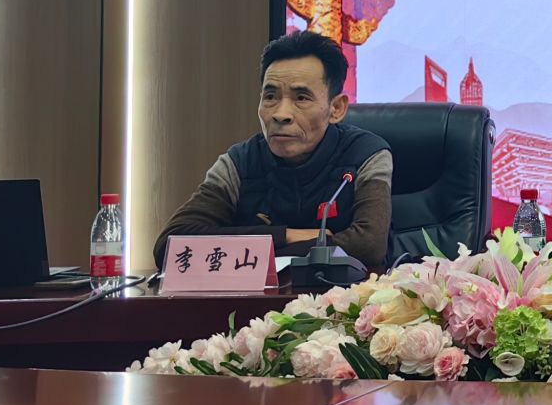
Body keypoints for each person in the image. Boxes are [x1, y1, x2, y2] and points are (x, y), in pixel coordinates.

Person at [160, 31, 392, 268]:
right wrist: (285, 236)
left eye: (301, 98)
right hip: (257, 293)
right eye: (271, 96)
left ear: (336, 108)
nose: (280, 114)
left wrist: (250, 247)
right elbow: (170, 245)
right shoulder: (239, 163)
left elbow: (368, 245)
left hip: (344, 291)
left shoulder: (365, 154)